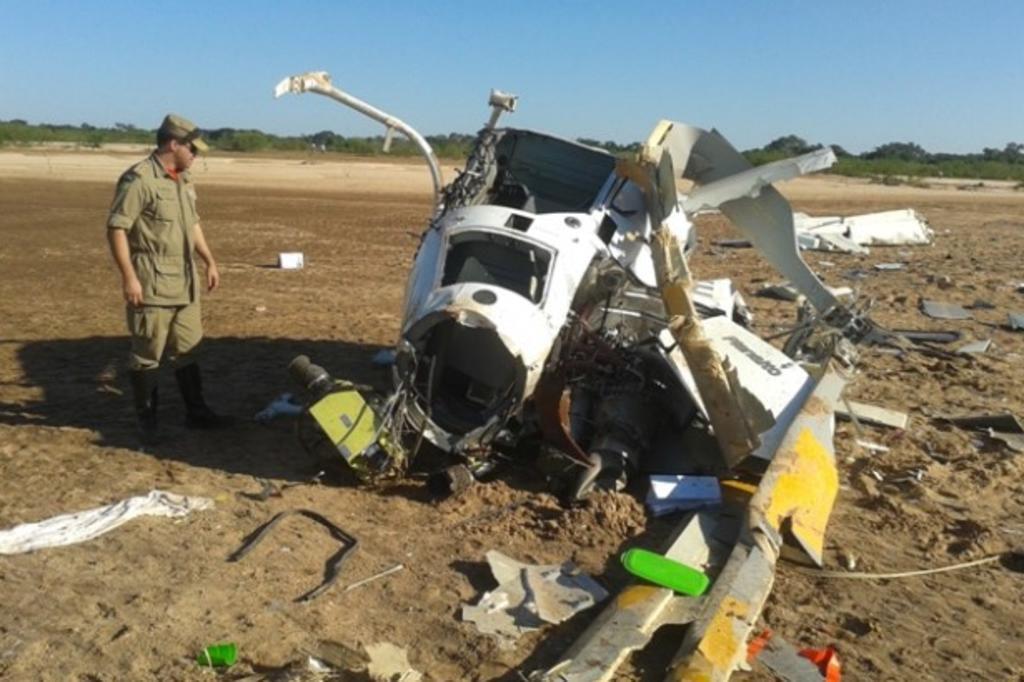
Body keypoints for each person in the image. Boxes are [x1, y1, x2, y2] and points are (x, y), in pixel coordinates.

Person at [106, 113, 231, 443]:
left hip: (186, 282)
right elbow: (117, 227)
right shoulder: (140, 179)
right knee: (148, 352)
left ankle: (197, 412)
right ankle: (147, 421)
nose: (196, 156)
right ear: (173, 144)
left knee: (189, 348)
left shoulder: (183, 180)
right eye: (193, 149)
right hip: (153, 281)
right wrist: (129, 278)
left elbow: (193, 224)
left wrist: (209, 261)